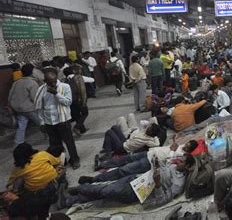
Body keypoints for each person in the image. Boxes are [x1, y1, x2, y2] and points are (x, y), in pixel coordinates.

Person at [60, 153, 195, 207]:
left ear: (188, 166)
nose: (178, 162)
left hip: (140, 191)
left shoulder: (178, 184)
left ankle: (79, 189)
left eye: (182, 162)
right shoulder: (174, 164)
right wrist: (156, 164)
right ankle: (70, 200)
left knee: (106, 191)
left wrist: (158, 184)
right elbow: (160, 169)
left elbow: (161, 201)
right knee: (106, 194)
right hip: (138, 179)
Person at [2, 143, 63, 219]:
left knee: (20, 179)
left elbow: (10, 183)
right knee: (60, 164)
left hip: (35, 191)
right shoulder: (42, 154)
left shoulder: (18, 169)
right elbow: (57, 161)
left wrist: (11, 189)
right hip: (54, 183)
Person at [34, 70, 80, 169]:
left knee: (69, 142)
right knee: (55, 144)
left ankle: (75, 159)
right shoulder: (41, 89)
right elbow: (39, 108)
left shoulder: (65, 87)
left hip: (63, 120)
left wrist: (56, 94)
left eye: (55, 81)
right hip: (49, 121)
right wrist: (42, 123)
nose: (53, 84)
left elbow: (68, 102)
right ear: (45, 81)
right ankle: (61, 161)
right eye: (50, 83)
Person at [8, 64, 41, 145]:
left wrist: (11, 107)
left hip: (18, 108)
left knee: (21, 126)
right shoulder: (32, 83)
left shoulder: (16, 82)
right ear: (32, 73)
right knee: (41, 123)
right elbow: (35, 98)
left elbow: (10, 96)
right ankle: (51, 136)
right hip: (30, 109)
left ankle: (18, 142)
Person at [64, 65, 91, 136]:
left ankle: (82, 129)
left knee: (77, 115)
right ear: (73, 71)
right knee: (85, 113)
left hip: (70, 100)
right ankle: (76, 127)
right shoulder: (78, 77)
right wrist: (84, 101)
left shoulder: (65, 79)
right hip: (78, 99)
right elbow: (83, 90)